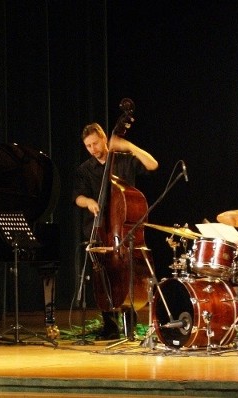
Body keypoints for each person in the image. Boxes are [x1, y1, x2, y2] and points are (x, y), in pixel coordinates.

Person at [73, 123, 158, 340]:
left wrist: (128, 145)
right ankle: (110, 327)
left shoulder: (124, 160)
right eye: (88, 146)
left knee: (125, 274)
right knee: (103, 276)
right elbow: (78, 197)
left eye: (95, 143)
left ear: (104, 138)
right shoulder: (85, 169)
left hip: (123, 233)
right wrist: (89, 202)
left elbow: (152, 164)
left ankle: (130, 324)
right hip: (100, 229)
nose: (92, 149)